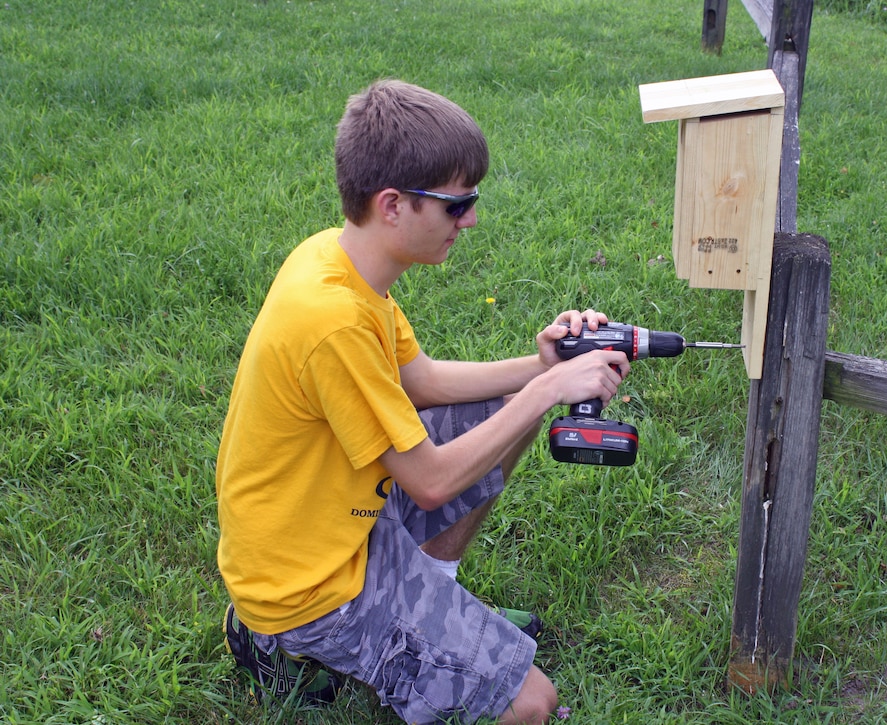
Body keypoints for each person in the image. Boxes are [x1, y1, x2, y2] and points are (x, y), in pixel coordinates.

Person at [215, 78, 630, 725]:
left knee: (501, 406)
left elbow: (424, 379)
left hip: (336, 527)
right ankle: (278, 640)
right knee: (533, 704)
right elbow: (431, 481)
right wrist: (549, 391)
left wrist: (540, 367)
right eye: (456, 204)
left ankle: (435, 603)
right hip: (312, 588)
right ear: (392, 205)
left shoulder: (342, 259)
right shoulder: (331, 320)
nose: (469, 220)